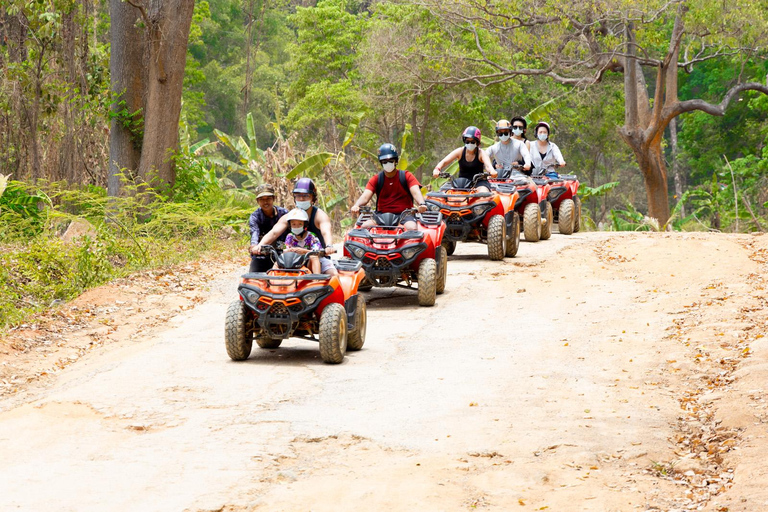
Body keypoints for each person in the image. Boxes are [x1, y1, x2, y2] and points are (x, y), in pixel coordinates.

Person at [253, 178, 338, 276]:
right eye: (298, 196)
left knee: (333, 275)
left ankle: (318, 280)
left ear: (313, 198)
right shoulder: (290, 216)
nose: (301, 199)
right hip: (292, 259)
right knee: (275, 272)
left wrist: (329, 246)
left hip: (317, 257)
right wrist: (260, 245)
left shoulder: (320, 215)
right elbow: (274, 232)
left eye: (306, 196)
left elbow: (326, 231)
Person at [350, 143, 427, 230]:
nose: (388, 163)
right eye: (384, 161)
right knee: (364, 227)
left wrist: (422, 203)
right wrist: (356, 205)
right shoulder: (376, 179)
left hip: (404, 215)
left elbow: (416, 192)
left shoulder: (406, 176)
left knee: (412, 228)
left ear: (396, 161)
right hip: (381, 215)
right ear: (381, 163)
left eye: (391, 160)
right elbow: (365, 196)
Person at [432, 126, 497, 192]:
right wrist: (437, 169)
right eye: (467, 141)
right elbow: (444, 161)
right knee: (447, 195)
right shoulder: (460, 151)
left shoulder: (481, 153)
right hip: (462, 183)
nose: (470, 144)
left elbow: (488, 165)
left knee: (483, 193)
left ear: (477, 142)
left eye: (472, 142)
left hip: (479, 183)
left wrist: (492, 171)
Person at [248, 184, 288, 273]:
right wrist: (254, 246)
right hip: (262, 252)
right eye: (262, 199)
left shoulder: (284, 213)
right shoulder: (255, 216)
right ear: (258, 201)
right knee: (253, 279)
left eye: (268, 199)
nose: (265, 202)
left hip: (283, 252)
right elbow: (254, 232)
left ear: (273, 199)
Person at [282, 208, 322, 274]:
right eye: (293, 224)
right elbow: (285, 251)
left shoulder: (311, 236)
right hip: (293, 264)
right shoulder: (289, 236)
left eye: (300, 224)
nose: (296, 227)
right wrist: (289, 251)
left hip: (308, 264)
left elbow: (318, 252)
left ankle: (316, 279)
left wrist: (304, 251)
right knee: (279, 260)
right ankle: (272, 280)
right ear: (290, 225)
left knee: (314, 257)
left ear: (305, 225)